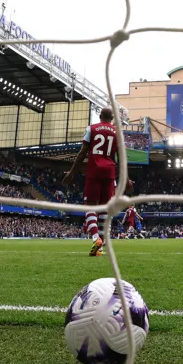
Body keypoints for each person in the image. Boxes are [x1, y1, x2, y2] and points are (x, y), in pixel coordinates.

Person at [63, 107, 132, 257]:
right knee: (104, 209)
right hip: (110, 173)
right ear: (112, 118)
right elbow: (122, 158)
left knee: (90, 207)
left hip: (94, 170)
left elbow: (82, 152)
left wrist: (72, 172)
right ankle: (101, 243)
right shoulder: (117, 132)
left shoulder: (92, 128)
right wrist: (126, 179)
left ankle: (96, 238)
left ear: (100, 116)